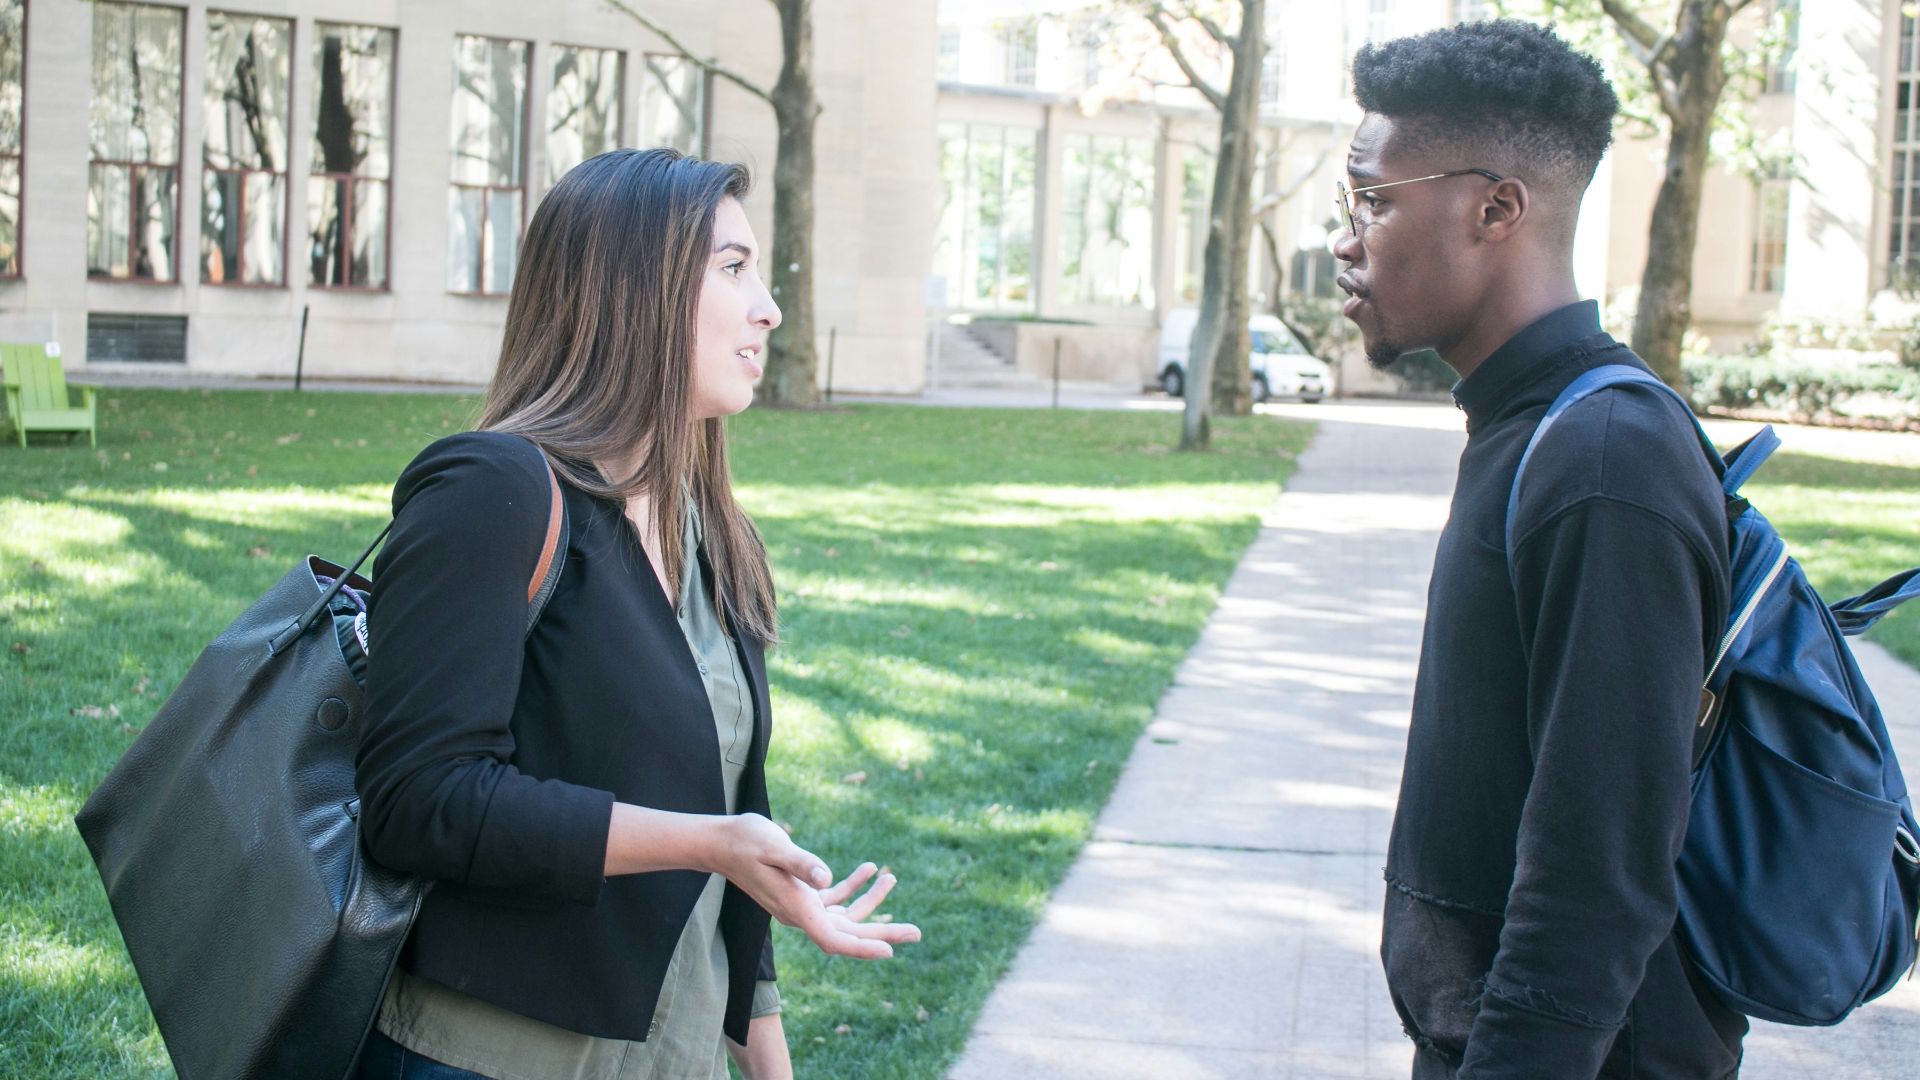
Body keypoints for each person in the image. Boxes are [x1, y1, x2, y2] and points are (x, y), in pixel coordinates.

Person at [351, 148, 920, 1080]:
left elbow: (738, 823)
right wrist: (706, 843)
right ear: (634, 287)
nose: (768, 307)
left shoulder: (711, 530)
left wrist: (769, 1062)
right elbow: (419, 802)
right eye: (733, 270)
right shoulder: (491, 488)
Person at [1333, 21, 1744, 1080]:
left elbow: (1597, 882)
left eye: (1373, 200)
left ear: (1496, 208)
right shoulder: (1527, 426)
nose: (1347, 240)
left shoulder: (1607, 459)